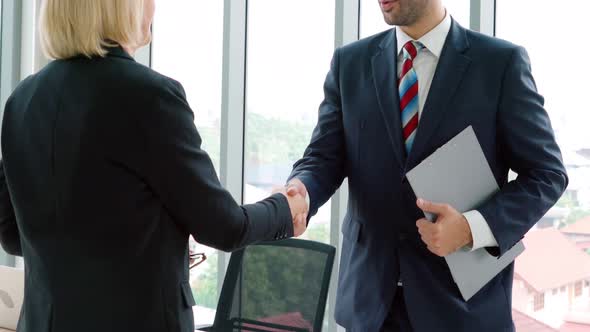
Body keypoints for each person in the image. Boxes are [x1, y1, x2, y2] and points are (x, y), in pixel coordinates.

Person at [0, 1, 307, 331]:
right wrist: (284, 210)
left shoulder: (22, 100)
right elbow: (225, 226)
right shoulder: (148, 95)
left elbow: (12, 233)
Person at [286, 0, 568, 331]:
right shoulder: (350, 63)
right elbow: (324, 157)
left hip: (462, 308)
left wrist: (471, 228)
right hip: (371, 305)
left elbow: (547, 174)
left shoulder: (499, 64)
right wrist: (301, 191)